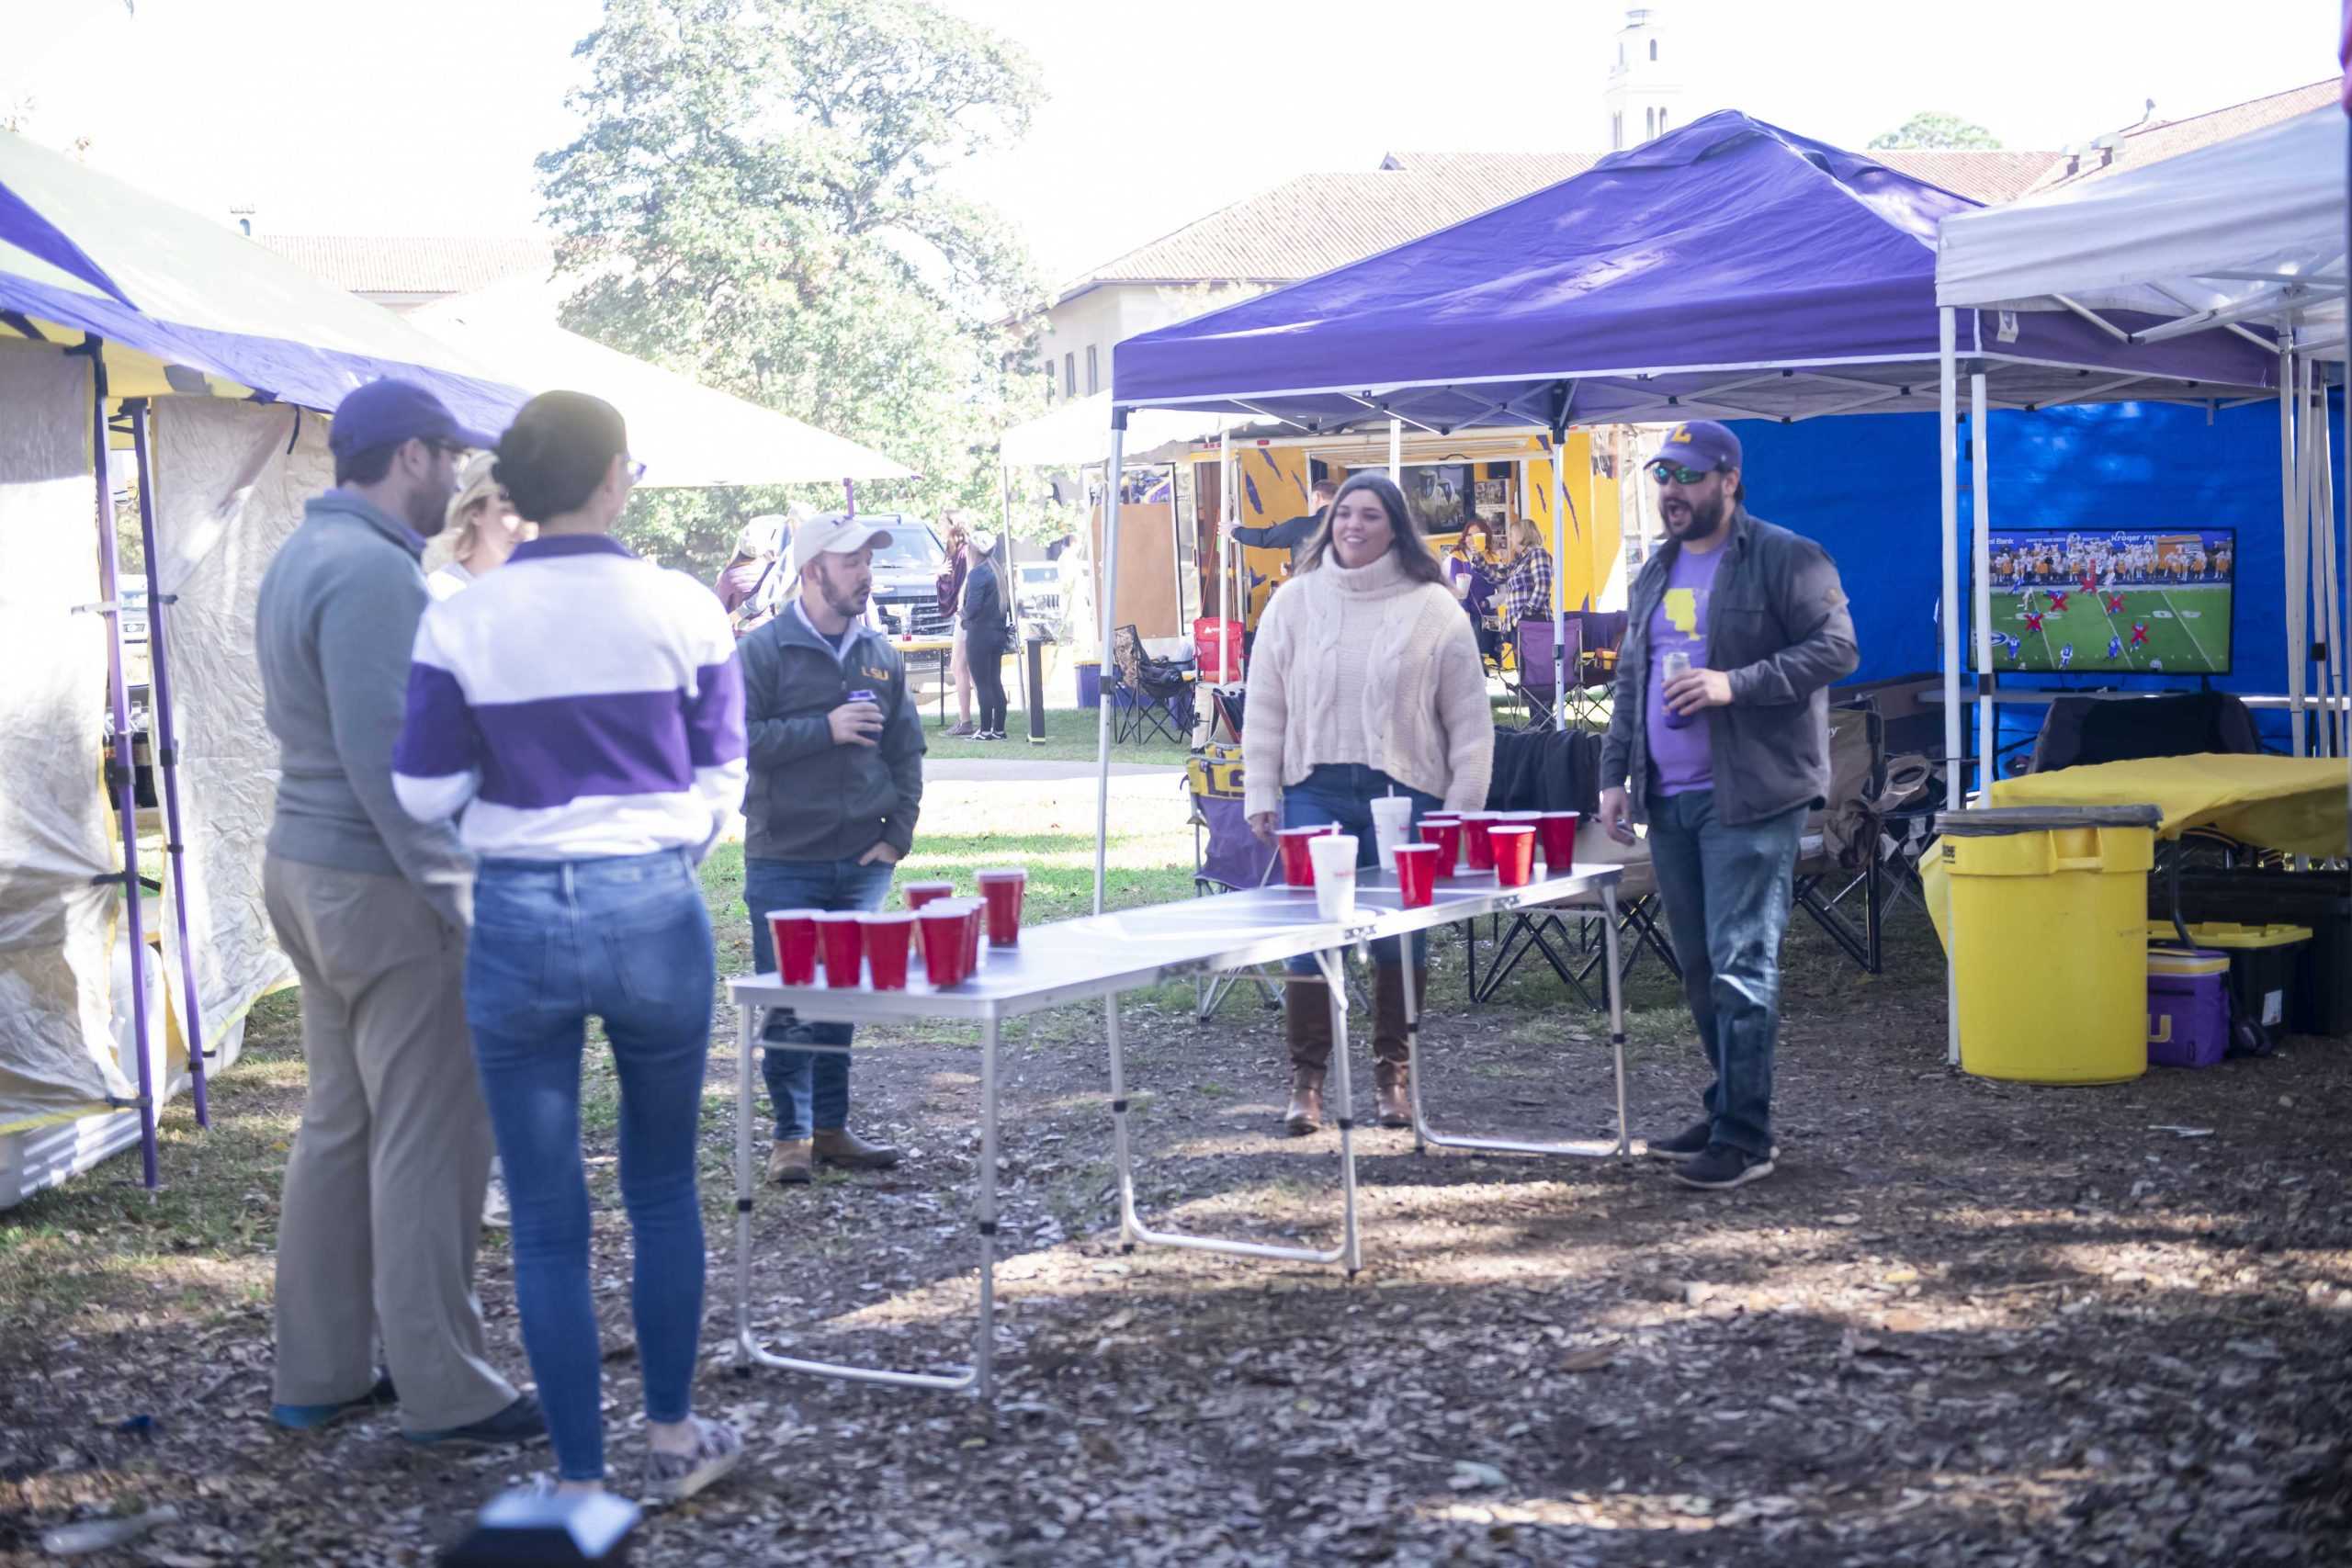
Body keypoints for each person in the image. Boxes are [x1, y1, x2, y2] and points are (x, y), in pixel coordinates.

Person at [393, 390, 746, 1500]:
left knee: (546, 1215)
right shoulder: (684, 605)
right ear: (610, 480)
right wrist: (665, 842)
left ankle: (581, 1478)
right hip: (651, 907)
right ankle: (676, 1439)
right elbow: (722, 775)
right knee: (660, 1188)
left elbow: (421, 787)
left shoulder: (460, 616)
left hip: (519, 916)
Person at [253, 379, 539, 1450]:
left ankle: (318, 1371)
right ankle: (448, 1389)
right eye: (450, 457)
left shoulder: (301, 555)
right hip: (380, 887)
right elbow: (394, 772)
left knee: (342, 1127)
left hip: (310, 871)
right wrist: (469, 905)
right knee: (429, 1140)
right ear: (410, 457)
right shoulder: (376, 576)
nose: (461, 477)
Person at [1597, 420, 1857, 1192]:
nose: (1671, 492)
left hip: (1751, 792)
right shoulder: (1655, 569)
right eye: (1663, 477)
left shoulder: (1785, 555)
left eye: (1687, 476)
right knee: (1703, 967)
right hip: (1668, 797)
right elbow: (1629, 682)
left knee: (1743, 962)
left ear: (1729, 480)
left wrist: (1732, 683)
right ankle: (1724, 1107)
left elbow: (1837, 647)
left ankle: (1747, 1136)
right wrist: (1614, 774)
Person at [1242, 473, 1493, 1134]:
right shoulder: (1292, 602)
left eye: (1370, 515)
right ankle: (1307, 1082)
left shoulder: (1435, 608)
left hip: (1407, 794)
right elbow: (1264, 705)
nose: (1353, 525)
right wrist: (1261, 790)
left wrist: (1461, 809)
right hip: (1312, 789)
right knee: (1311, 937)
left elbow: (1470, 722)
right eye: (1344, 513)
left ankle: (1394, 1077)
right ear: (1330, 522)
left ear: (1396, 527)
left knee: (1401, 938)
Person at [737, 513, 926, 1183]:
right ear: (814, 569)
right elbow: (738, 740)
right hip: (783, 859)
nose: (865, 571)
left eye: (867, 560)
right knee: (789, 1000)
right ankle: (789, 1138)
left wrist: (897, 837)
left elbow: (909, 752)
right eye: (851, 561)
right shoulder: (761, 651)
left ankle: (830, 1127)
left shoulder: (880, 652)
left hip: (861, 864)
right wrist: (825, 728)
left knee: (841, 998)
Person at [426, 453, 534, 600]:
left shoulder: (537, 589)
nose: (526, 524)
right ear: (475, 513)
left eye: (534, 510)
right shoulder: (443, 591)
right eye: (510, 510)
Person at [1231, 478, 1337, 578]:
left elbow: (1265, 538)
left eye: (1311, 501)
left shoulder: (1301, 526)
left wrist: (1235, 532)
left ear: (1317, 497)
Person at [961, 528, 1011, 739]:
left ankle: (985, 730)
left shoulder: (977, 573)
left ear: (974, 551)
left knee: (982, 684)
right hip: (997, 633)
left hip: (979, 634)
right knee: (995, 681)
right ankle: (998, 729)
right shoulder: (997, 571)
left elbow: (972, 607)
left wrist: (960, 613)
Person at [714, 515, 790, 637]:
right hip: (769, 632)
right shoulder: (772, 569)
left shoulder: (730, 575)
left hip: (741, 636)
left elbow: (720, 608)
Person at [938, 513, 977, 737]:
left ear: (952, 526)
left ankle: (966, 721)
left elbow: (955, 586)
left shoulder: (961, 552)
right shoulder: (964, 550)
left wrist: (938, 575)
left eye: (942, 523)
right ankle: (978, 720)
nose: (940, 527)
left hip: (964, 615)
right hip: (966, 614)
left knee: (959, 667)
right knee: (968, 669)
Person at [1445, 519, 1503, 662]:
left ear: (1486, 537)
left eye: (1478, 535)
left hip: (1488, 617)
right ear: (1464, 537)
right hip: (1463, 617)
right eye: (1469, 535)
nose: (1472, 539)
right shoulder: (1454, 558)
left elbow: (1504, 592)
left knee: (1488, 664)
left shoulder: (1495, 559)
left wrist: (1488, 602)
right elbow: (1440, 587)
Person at [1498, 515, 1555, 634]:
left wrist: (1527, 612)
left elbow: (1543, 585)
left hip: (1533, 622)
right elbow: (1498, 577)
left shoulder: (1538, 553)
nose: (1510, 539)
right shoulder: (1519, 560)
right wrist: (1478, 558)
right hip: (1518, 623)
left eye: (1512, 534)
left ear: (1522, 535)